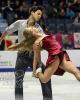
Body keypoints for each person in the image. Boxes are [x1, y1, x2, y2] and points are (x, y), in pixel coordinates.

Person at [0, 6, 53, 100]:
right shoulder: (20, 23)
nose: (40, 16)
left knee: (45, 77)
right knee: (18, 81)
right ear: (32, 12)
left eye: (41, 14)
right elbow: (8, 30)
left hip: (34, 57)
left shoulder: (38, 28)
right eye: (38, 13)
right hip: (21, 56)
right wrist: (1, 39)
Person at [15, 26, 80, 83]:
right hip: (55, 56)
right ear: (31, 34)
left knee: (76, 72)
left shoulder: (42, 33)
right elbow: (36, 58)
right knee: (44, 79)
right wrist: (34, 71)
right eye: (32, 29)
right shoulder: (37, 43)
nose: (34, 28)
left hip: (61, 53)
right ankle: (38, 72)